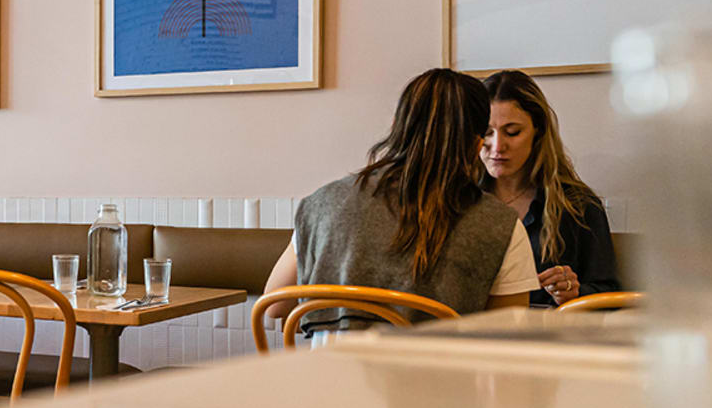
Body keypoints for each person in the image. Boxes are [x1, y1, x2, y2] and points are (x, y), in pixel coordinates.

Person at [263, 68, 539, 332]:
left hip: (328, 377)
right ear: (477, 146)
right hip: (438, 380)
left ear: (395, 128)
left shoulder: (323, 205)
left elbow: (275, 306)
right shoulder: (501, 228)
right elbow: (506, 338)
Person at [481, 69, 619, 307]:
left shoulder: (578, 206)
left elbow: (610, 295)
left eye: (512, 132)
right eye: (486, 133)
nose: (497, 147)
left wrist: (574, 293)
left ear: (538, 132)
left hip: (546, 337)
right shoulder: (459, 201)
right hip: (468, 337)